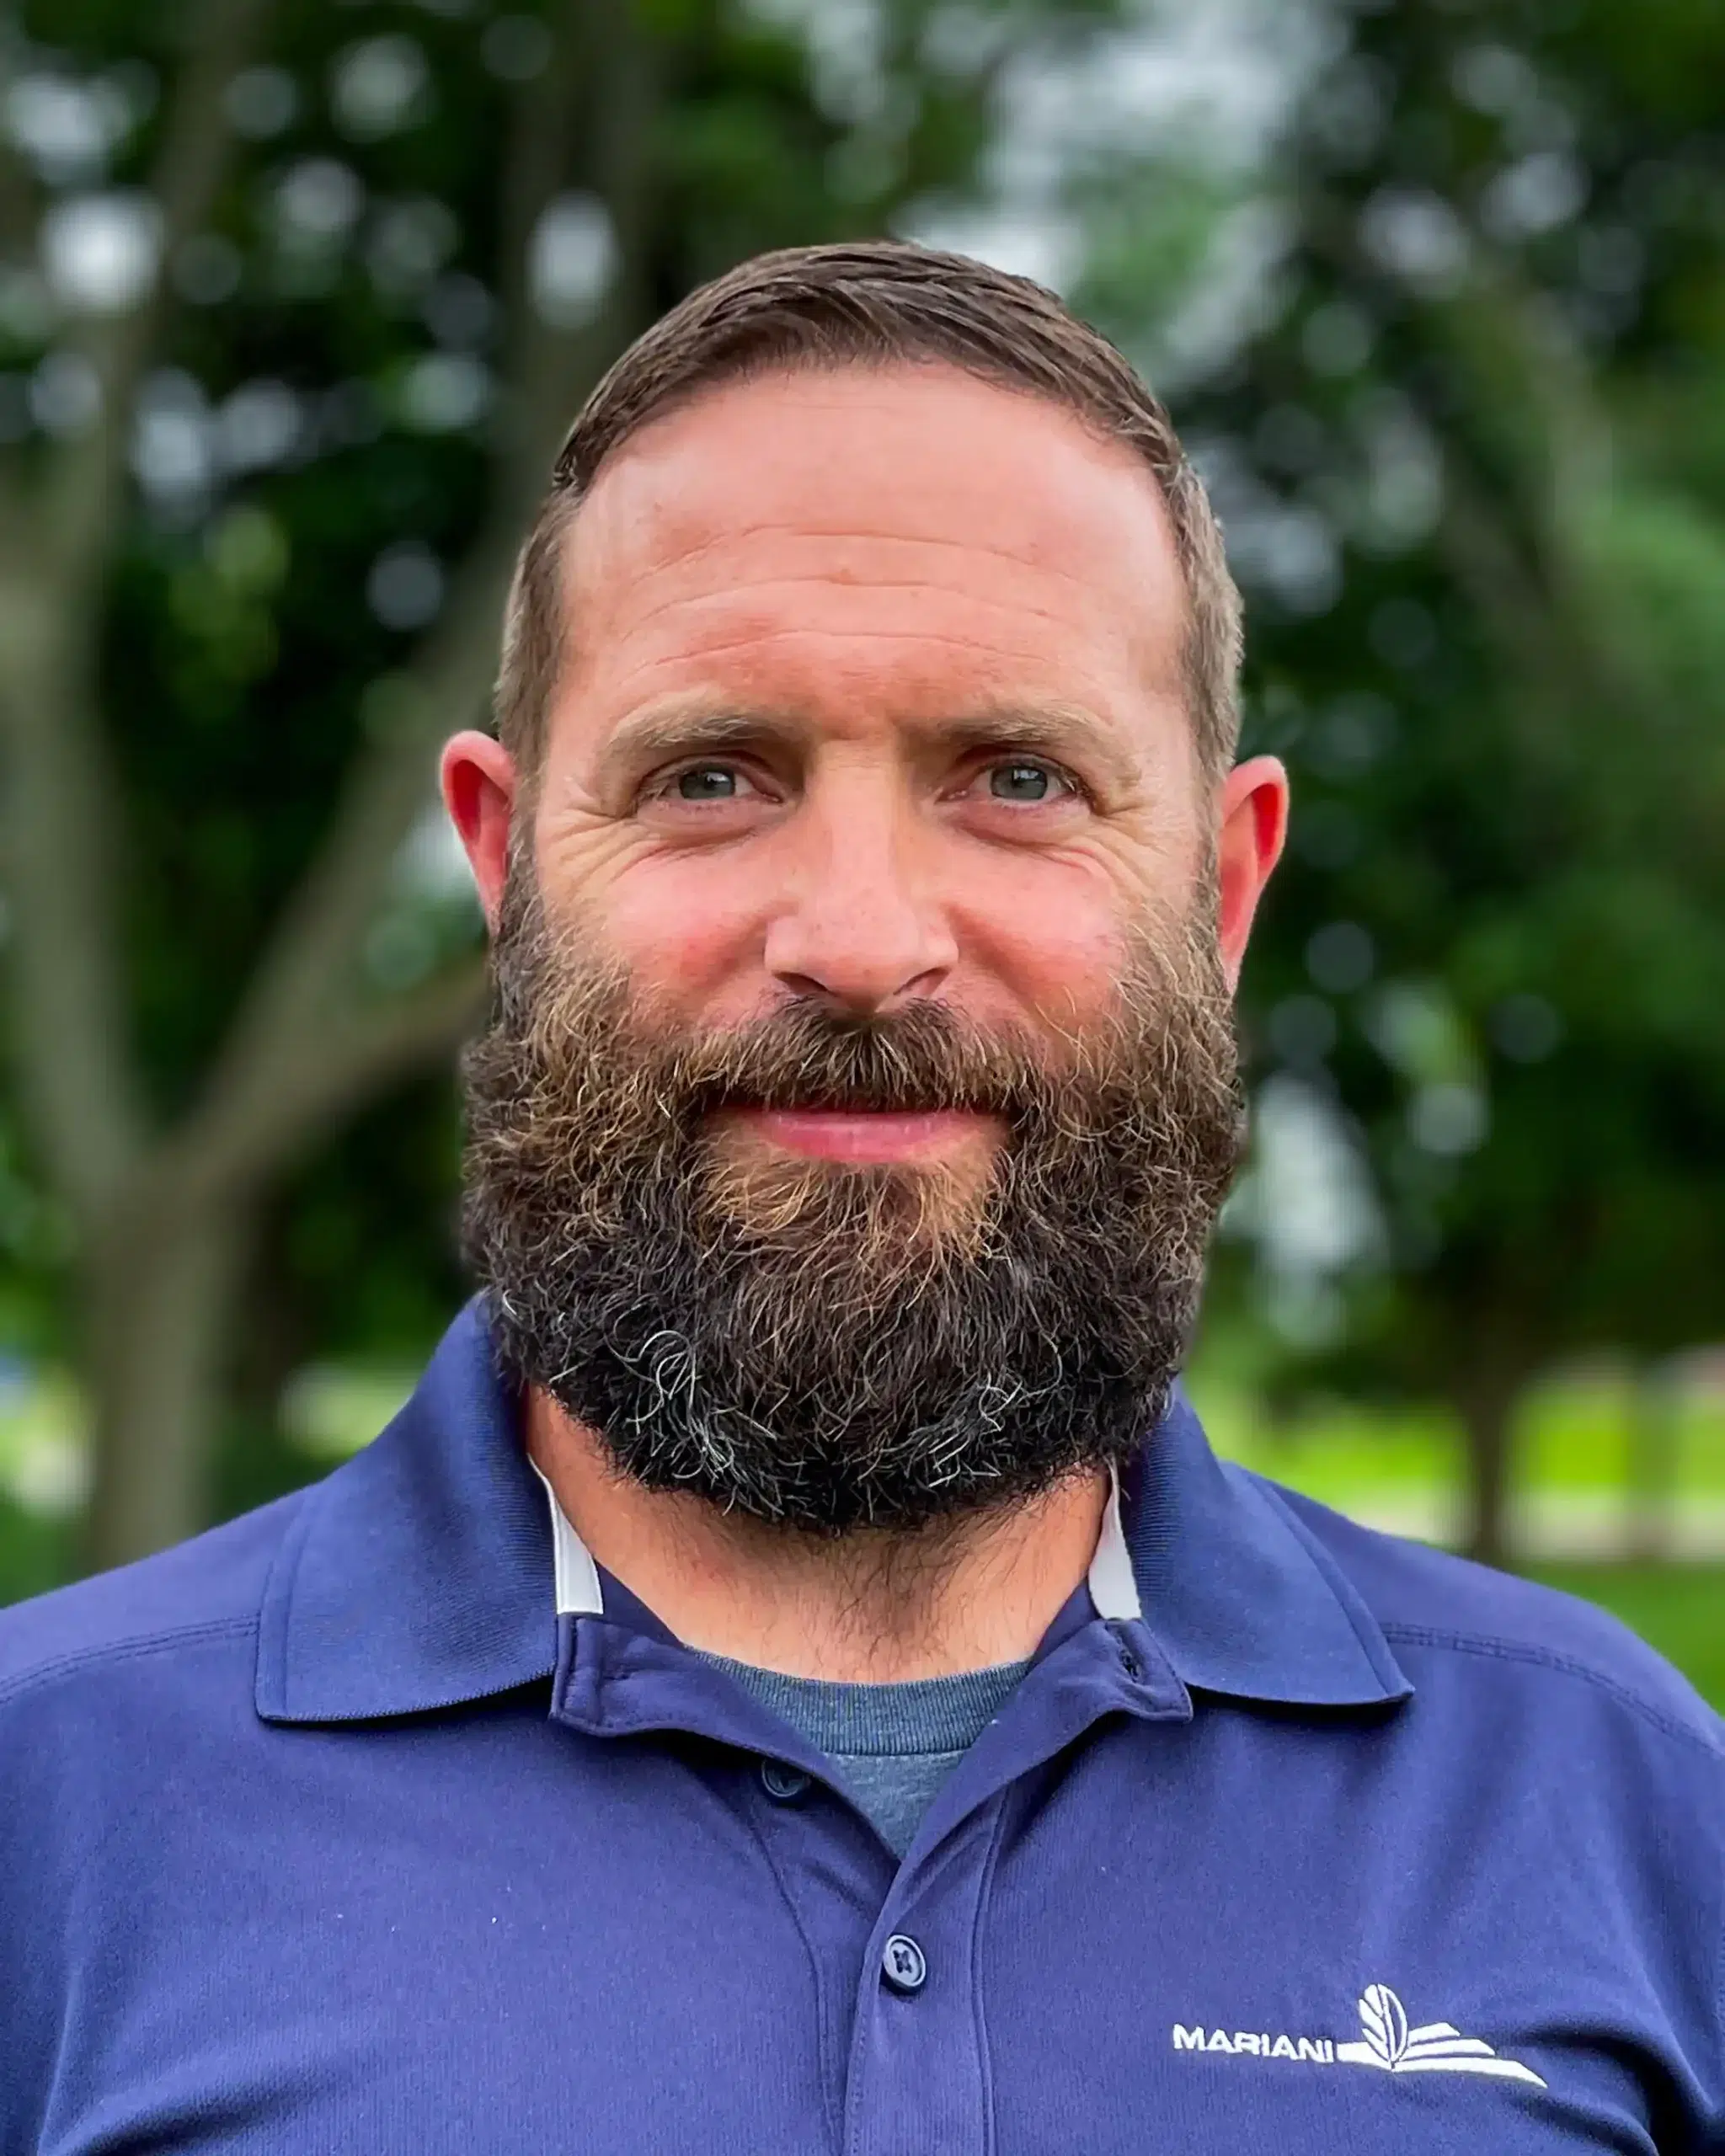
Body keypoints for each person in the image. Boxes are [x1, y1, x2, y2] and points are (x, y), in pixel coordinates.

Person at [2, 242, 1720, 2155]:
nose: (861, 940)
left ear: (1222, 895)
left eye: (1017, 777)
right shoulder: (46, 1812)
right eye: (714, 774)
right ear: (505, 867)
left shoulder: (1616, 1802)